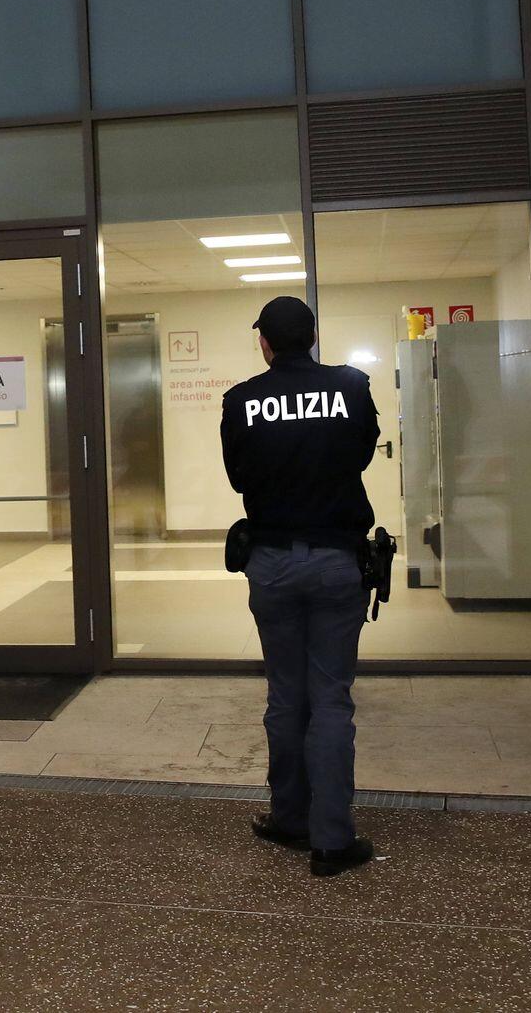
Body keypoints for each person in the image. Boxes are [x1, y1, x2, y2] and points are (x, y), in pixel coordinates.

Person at [220, 294, 381, 878]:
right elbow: (361, 456)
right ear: (312, 338)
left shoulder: (241, 400)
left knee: (286, 696)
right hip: (337, 561)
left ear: (264, 343)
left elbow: (238, 477)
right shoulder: (351, 387)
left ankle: (290, 817)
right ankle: (332, 839)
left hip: (273, 563)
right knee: (331, 697)